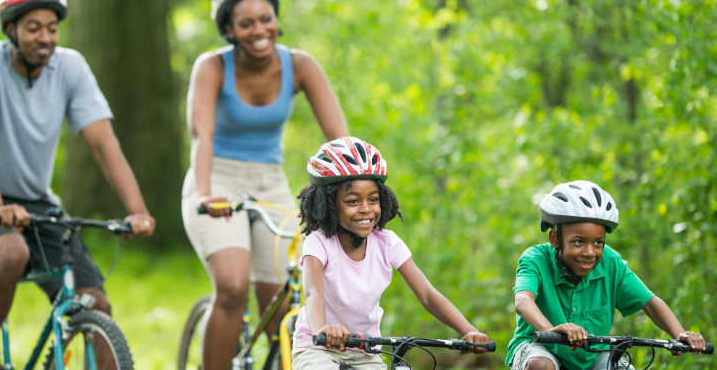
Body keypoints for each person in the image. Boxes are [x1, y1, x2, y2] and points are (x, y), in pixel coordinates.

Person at [0, 0, 155, 370]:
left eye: (52, 28)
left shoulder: (70, 67)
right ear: (11, 31)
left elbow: (104, 144)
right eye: (33, 27)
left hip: (36, 201)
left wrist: (137, 210)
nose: (45, 37)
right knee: (10, 252)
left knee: (95, 303)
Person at [182, 0, 348, 368]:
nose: (260, 30)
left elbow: (339, 139)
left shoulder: (300, 65)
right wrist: (205, 194)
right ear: (228, 29)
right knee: (233, 286)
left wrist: (351, 191)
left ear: (276, 18)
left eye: (266, 18)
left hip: (269, 181)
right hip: (217, 179)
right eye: (246, 23)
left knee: (286, 300)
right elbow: (201, 137)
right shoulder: (212, 67)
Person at [291, 137, 491, 369]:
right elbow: (314, 292)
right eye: (353, 201)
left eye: (373, 199)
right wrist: (322, 330)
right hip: (318, 346)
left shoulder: (387, 243)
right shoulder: (318, 243)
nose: (366, 208)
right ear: (328, 205)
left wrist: (468, 330)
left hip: (365, 349)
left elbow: (427, 294)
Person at [507, 181, 707, 370]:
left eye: (598, 243)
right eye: (578, 242)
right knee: (540, 365)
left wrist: (680, 334)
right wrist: (549, 329)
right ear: (555, 239)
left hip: (591, 355)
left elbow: (649, 302)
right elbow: (523, 300)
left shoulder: (611, 263)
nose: (590, 252)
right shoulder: (535, 259)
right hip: (539, 347)